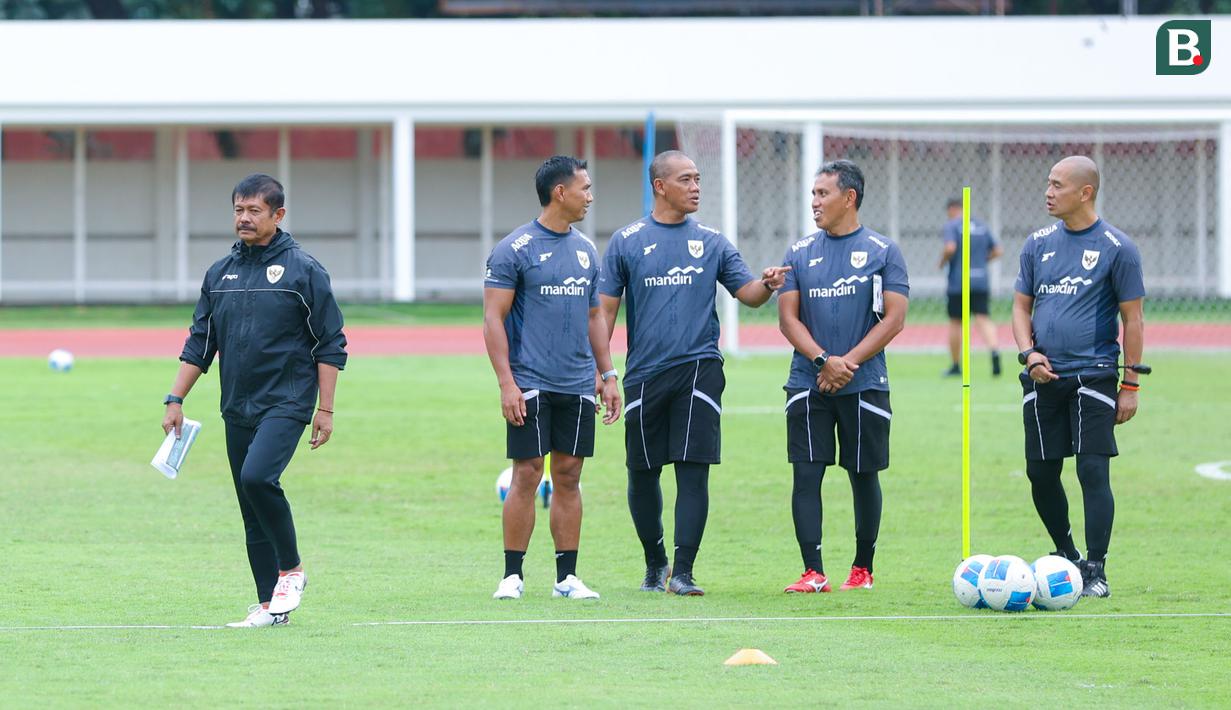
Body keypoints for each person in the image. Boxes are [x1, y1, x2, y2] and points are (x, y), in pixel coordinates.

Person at [598, 150, 790, 596]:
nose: (696, 187)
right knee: (642, 472)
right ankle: (655, 564)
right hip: (644, 374)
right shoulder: (626, 241)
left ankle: (683, 572)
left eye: (698, 179)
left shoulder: (712, 241)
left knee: (693, 469)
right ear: (660, 186)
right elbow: (604, 311)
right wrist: (603, 371)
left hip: (699, 368)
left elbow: (748, 294)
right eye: (686, 179)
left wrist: (767, 284)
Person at [162, 174, 347, 627]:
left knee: (258, 477)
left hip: (287, 400)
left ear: (278, 215)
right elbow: (200, 342)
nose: (244, 218)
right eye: (238, 210)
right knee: (250, 504)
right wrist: (175, 398)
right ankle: (269, 606)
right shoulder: (219, 273)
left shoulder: (304, 271)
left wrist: (325, 409)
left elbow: (330, 343)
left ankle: (292, 570)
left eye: (254, 211)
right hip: (237, 405)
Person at [483, 155, 621, 601]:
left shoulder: (586, 250)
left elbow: (595, 316)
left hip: (577, 383)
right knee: (527, 473)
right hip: (530, 381)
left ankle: (567, 578)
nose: (590, 196)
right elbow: (493, 319)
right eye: (585, 188)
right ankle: (512, 576)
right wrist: (507, 384)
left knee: (569, 474)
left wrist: (607, 373)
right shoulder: (514, 249)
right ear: (560, 192)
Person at [1012, 155, 1145, 598]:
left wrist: (1131, 385)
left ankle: (1096, 569)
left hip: (1095, 374)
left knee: (1092, 470)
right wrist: (1029, 354)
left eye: (1057, 185)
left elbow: (1133, 320)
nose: (1047, 192)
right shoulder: (1037, 244)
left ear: (1085, 193)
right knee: (1040, 472)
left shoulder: (1118, 247)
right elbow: (1020, 307)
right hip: (1043, 377)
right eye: (1048, 183)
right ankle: (1067, 555)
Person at [776, 159, 910, 594]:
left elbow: (895, 319)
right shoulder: (798, 252)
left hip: (864, 383)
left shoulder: (883, 251)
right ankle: (813, 572)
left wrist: (846, 363)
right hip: (808, 382)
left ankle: (862, 568)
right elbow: (788, 319)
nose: (814, 202)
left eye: (823, 194)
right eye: (813, 194)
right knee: (806, 473)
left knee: (863, 474)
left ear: (849, 198)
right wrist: (822, 361)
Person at [939, 197, 1003, 376]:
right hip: (980, 279)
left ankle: (955, 365)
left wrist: (942, 262)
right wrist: (982, 261)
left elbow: (950, 248)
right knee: (983, 317)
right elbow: (998, 250)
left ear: (952, 209)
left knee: (956, 322)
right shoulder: (981, 225)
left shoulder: (953, 225)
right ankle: (994, 351)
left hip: (959, 281)